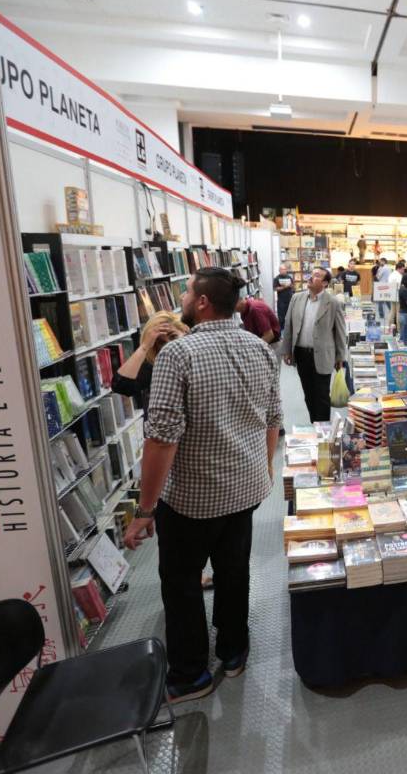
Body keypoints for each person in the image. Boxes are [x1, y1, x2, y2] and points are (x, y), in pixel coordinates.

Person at [123, 267, 282, 703]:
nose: (182, 299)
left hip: (192, 497)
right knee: (233, 571)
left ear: (203, 302)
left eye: (187, 292)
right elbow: (273, 418)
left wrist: (145, 510)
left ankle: (191, 674)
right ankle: (234, 652)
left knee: (181, 584)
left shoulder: (178, 355)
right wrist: (264, 468)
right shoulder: (259, 348)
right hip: (246, 489)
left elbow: (162, 439)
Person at [278, 267, 348, 422]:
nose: (310, 277)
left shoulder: (333, 303)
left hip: (323, 355)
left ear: (325, 283)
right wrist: (287, 350)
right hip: (301, 354)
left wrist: (340, 357)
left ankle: (323, 430)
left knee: (322, 395)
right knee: (308, 394)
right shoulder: (296, 298)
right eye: (311, 274)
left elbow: (340, 332)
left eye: (316, 276)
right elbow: (289, 325)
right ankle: (315, 424)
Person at [112, 310, 188, 422]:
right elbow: (121, 386)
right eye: (161, 342)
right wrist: (145, 346)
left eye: (173, 337)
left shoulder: (197, 358)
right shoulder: (155, 365)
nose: (169, 345)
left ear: (185, 332)